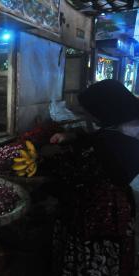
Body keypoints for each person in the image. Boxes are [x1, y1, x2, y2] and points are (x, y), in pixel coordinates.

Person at [50, 79, 139, 276]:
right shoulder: (125, 130)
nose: (86, 116)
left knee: (93, 260)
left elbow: (71, 178)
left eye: (89, 111)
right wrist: (73, 136)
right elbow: (101, 136)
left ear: (106, 110)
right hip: (120, 206)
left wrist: (47, 176)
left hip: (98, 214)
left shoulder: (107, 146)